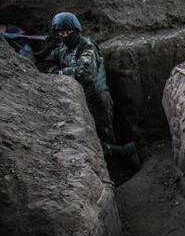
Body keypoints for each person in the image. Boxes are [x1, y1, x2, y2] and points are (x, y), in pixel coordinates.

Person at [46, 12, 141, 169]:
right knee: (93, 138)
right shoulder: (63, 48)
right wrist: (57, 70)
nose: (64, 35)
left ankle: (125, 162)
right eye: (60, 32)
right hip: (81, 99)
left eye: (67, 32)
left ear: (75, 30)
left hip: (97, 98)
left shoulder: (87, 46)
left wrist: (60, 72)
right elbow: (48, 63)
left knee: (105, 136)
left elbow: (85, 73)